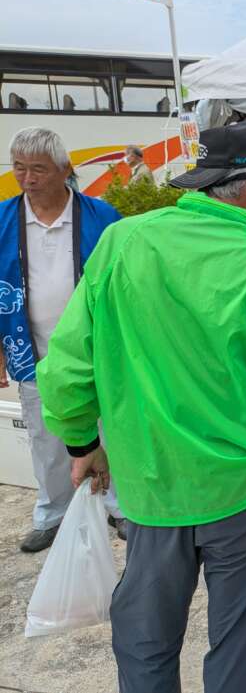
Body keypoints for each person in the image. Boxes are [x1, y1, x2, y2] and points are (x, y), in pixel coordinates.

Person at [36, 120, 246, 693]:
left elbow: (67, 367)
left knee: (145, 640)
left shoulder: (122, 243)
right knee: (242, 646)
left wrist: (82, 443)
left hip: (151, 486)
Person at [0, 127, 126, 552]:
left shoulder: (101, 217)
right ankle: (53, 513)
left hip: (98, 349)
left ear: (64, 168)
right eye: (19, 168)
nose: (27, 178)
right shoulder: (3, 220)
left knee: (111, 429)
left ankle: (121, 507)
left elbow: (126, 280)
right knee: (45, 437)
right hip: (32, 348)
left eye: (38, 169)